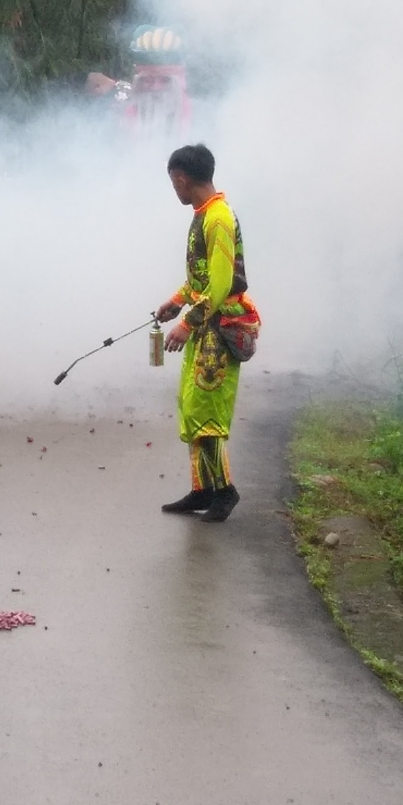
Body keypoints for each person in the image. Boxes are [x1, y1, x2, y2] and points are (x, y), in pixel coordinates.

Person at [155, 144, 261, 522]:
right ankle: (203, 489)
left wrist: (187, 322)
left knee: (209, 413)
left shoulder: (217, 218)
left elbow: (218, 286)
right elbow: (200, 279)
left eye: (173, 182)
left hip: (219, 328)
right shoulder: (204, 213)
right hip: (208, 327)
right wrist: (176, 301)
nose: (175, 189)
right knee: (194, 406)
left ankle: (225, 492)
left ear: (181, 178)